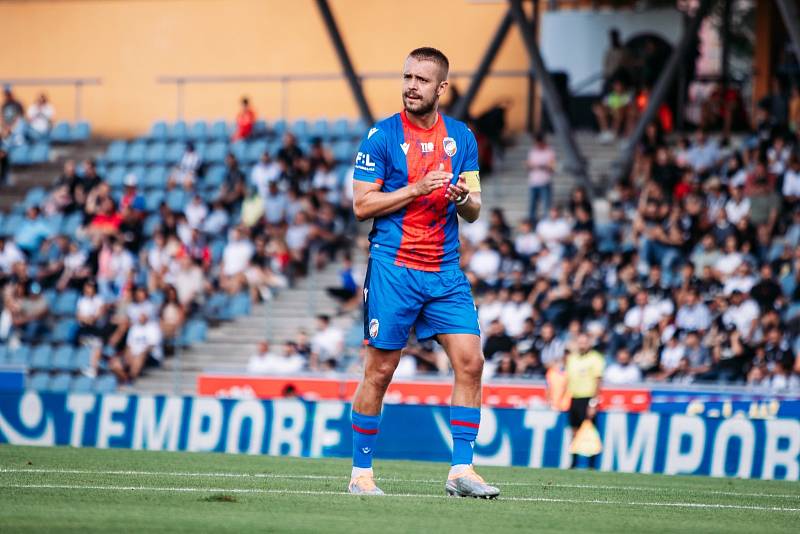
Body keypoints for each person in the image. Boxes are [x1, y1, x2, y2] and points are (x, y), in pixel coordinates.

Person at [348, 47, 498, 498]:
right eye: (407, 76)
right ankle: (360, 474)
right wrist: (415, 188)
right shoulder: (381, 136)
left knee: (471, 362)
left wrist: (458, 197)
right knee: (380, 370)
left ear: (441, 88)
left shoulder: (462, 138)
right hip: (394, 268)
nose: (411, 85)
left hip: (444, 270)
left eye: (421, 79)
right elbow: (361, 205)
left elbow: (474, 208)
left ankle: (461, 472)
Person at [565, 333, 605, 468]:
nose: (582, 345)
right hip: (574, 397)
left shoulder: (595, 358)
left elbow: (598, 381)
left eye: (585, 342)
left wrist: (593, 402)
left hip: (587, 398)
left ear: (589, 343)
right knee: (574, 430)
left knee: (590, 431)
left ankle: (592, 464)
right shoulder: (572, 358)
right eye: (580, 342)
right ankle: (574, 462)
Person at [526, 132, 555, 225]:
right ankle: (532, 225)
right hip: (533, 182)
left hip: (545, 182)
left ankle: (546, 225)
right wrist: (541, 165)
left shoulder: (549, 151)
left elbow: (551, 167)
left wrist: (539, 166)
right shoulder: (533, 151)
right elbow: (528, 165)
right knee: (532, 207)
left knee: (546, 206)